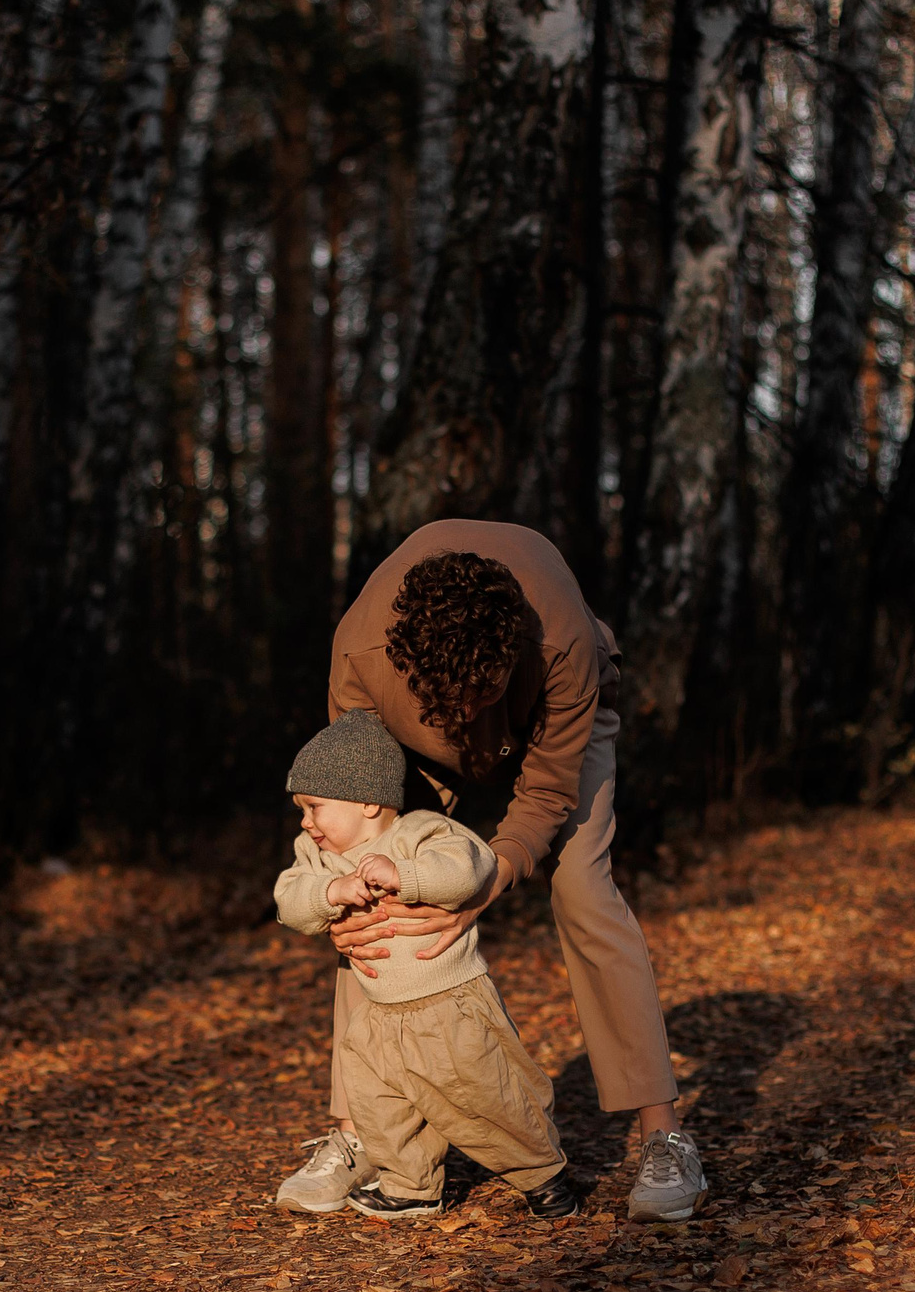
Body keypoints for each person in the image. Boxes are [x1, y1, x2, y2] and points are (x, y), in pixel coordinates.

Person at [272, 519, 708, 1223]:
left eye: (482, 696)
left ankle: (664, 1135)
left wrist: (488, 878)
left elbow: (543, 794)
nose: (471, 719)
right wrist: (344, 896)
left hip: (552, 727)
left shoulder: (560, 640)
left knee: (583, 888)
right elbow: (347, 822)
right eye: (455, 703)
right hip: (406, 744)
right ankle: (358, 1136)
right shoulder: (360, 653)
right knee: (375, 903)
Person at [272, 711, 579, 1220]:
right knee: (379, 1102)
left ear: (368, 801)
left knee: (484, 1097)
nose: (305, 821)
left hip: (448, 1003)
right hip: (376, 1012)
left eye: (315, 806)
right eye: (301, 808)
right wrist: (329, 892)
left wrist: (406, 876)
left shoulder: (418, 832)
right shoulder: (315, 854)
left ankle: (543, 1175)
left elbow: (469, 866)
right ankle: (411, 1184)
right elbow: (289, 899)